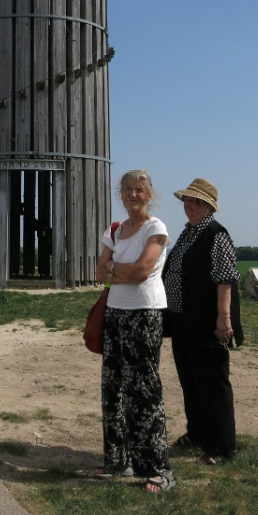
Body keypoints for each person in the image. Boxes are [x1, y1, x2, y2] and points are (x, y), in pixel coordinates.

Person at [94, 169, 175, 493]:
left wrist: (115, 270)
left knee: (144, 391)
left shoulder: (155, 228)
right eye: (127, 189)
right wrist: (117, 272)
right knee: (113, 388)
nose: (133, 195)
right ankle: (119, 460)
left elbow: (143, 271)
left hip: (145, 315)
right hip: (116, 314)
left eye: (139, 189)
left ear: (149, 195)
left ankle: (159, 468)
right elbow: (99, 273)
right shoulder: (115, 230)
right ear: (121, 194)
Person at [163, 177, 243, 465]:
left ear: (209, 205)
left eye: (195, 201)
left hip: (207, 323)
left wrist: (223, 319)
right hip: (182, 322)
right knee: (191, 381)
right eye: (187, 200)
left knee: (212, 385)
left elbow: (225, 280)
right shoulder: (187, 234)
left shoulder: (216, 235)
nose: (189, 205)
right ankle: (197, 433)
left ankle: (221, 447)